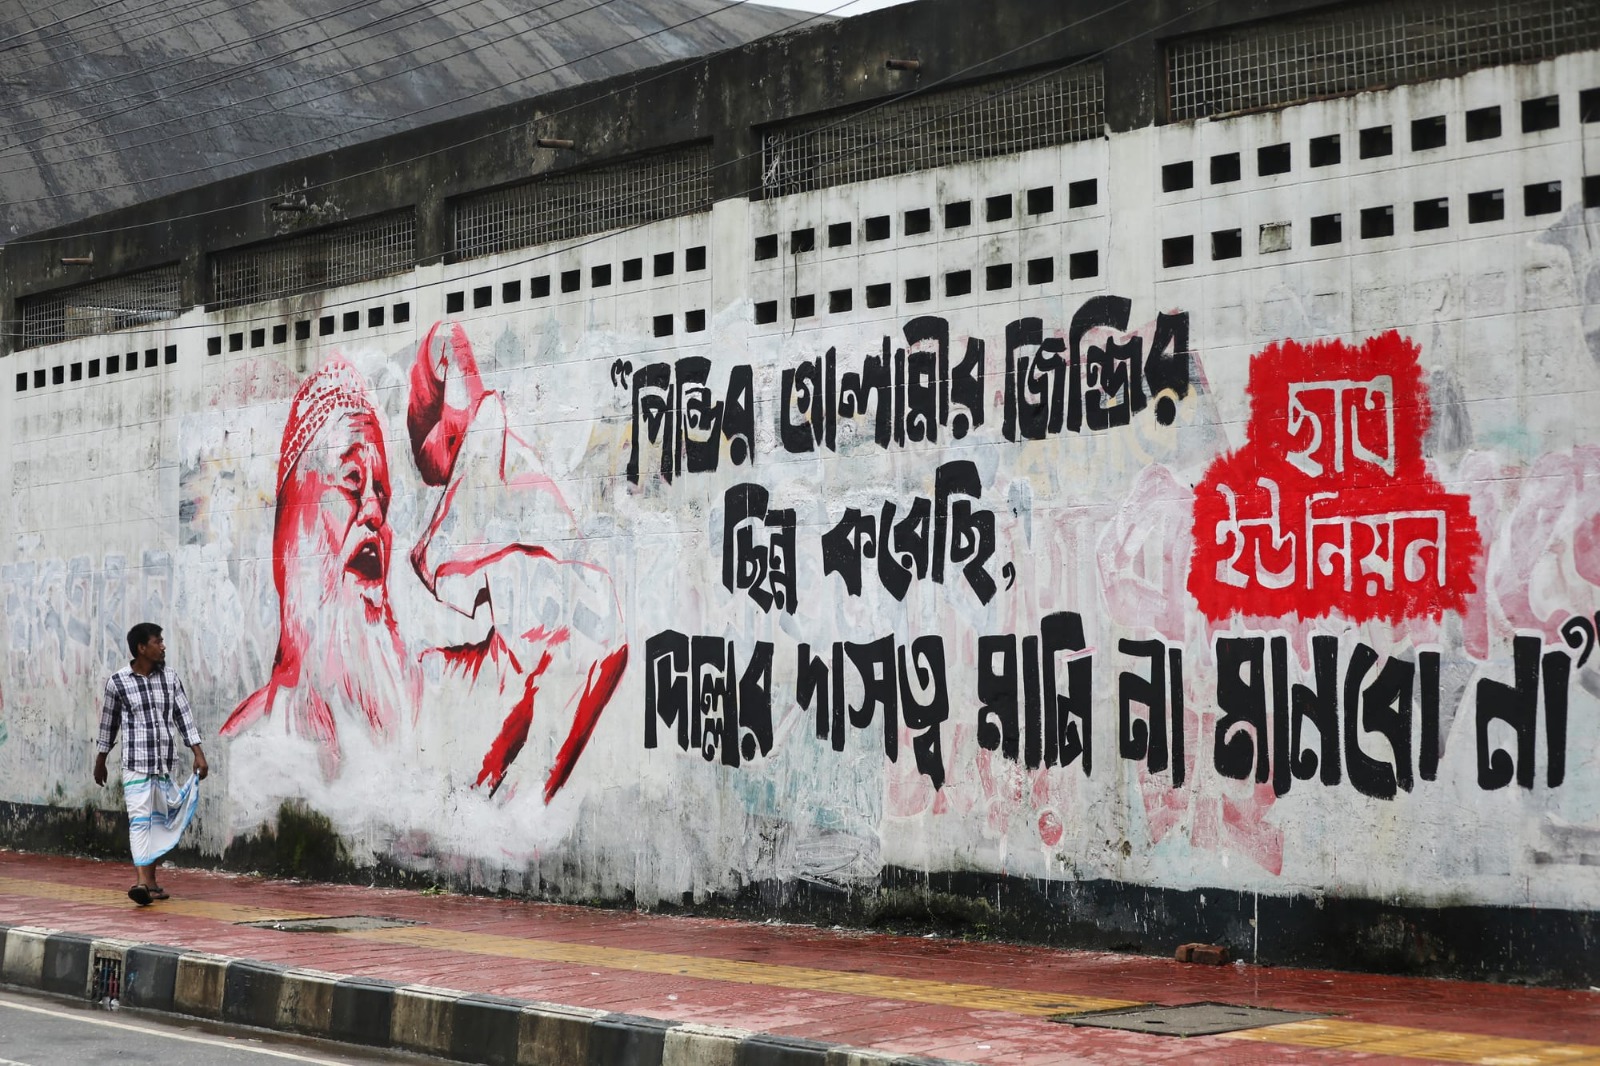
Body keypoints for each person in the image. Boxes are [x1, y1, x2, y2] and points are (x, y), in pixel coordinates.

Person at [407, 321, 627, 801]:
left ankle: (487, 804)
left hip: (566, 647)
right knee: (523, 780)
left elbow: (437, 557)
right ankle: (495, 803)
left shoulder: (486, 447)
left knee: (509, 767)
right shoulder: (511, 457)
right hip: (593, 640)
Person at [220, 358, 415, 778]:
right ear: (292, 530)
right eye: (351, 480)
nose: (374, 513)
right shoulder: (248, 753)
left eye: (382, 493)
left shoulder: (405, 717)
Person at [94, 622, 209, 906]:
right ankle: (142, 883)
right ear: (142, 648)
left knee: (158, 821)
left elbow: (184, 717)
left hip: (163, 764)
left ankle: (151, 882)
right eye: (158, 641)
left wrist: (198, 753)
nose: (163, 646)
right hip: (135, 764)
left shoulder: (170, 678)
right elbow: (108, 725)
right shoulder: (118, 683)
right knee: (139, 820)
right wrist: (101, 760)